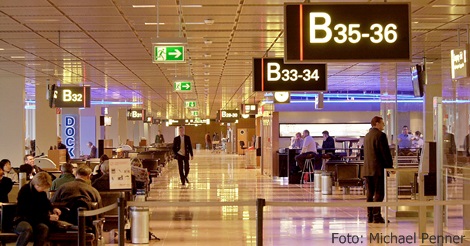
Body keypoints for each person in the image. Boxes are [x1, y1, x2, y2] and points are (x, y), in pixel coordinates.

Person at [14, 172, 61, 246]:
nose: (45, 189)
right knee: (27, 229)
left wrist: (53, 209)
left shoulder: (41, 193)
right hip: (22, 219)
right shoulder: (25, 191)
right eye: (44, 187)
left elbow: (46, 203)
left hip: (35, 220)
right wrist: (48, 217)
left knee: (44, 228)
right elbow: (29, 212)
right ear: (38, 185)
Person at [363, 116, 393, 224]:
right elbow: (385, 153)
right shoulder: (381, 135)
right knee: (379, 193)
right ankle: (377, 216)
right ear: (376, 123)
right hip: (378, 170)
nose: (383, 126)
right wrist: (390, 166)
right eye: (382, 123)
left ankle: (370, 215)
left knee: (370, 193)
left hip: (367, 169)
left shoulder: (367, 136)